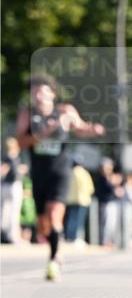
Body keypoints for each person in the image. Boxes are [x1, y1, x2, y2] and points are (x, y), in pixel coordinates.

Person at [15, 74, 104, 279]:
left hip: (61, 172)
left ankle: (54, 259)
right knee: (43, 223)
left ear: (52, 93)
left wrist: (94, 129)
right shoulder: (27, 115)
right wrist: (45, 132)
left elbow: (80, 128)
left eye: (43, 91)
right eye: (34, 91)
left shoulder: (65, 111)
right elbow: (20, 142)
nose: (38, 95)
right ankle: (56, 248)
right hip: (38, 173)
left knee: (54, 214)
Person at [64, 160, 95, 244]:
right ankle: (76, 238)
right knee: (79, 220)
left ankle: (69, 237)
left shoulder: (69, 172)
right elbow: (90, 188)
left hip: (70, 199)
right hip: (82, 200)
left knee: (70, 219)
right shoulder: (84, 173)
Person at [1, 137, 24, 244]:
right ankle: (10, 235)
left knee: (6, 211)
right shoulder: (9, 157)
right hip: (11, 186)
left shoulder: (13, 157)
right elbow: (3, 170)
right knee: (11, 212)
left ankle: (8, 234)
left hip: (8, 185)